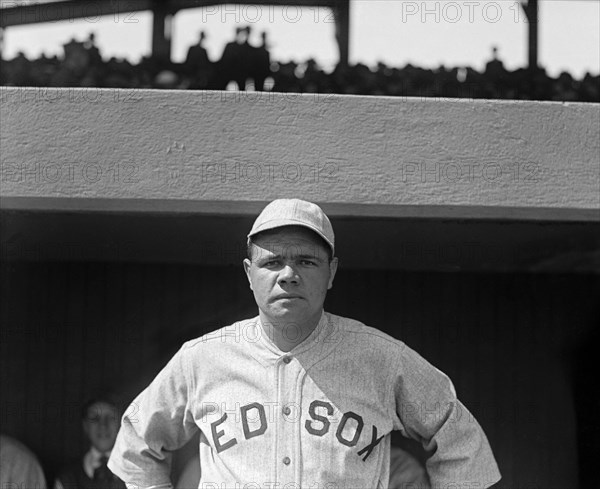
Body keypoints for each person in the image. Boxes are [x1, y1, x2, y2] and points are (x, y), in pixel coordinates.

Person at [108, 198, 501, 488]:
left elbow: (459, 439)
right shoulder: (203, 358)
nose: (288, 275)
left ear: (331, 272)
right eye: (272, 262)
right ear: (249, 273)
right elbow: (138, 444)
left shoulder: (382, 358)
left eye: (306, 261)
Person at [55, 398, 125, 489]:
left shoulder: (137, 472)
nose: (103, 425)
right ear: (85, 426)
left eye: (110, 418)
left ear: (120, 423)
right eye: (95, 418)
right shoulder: (67, 478)